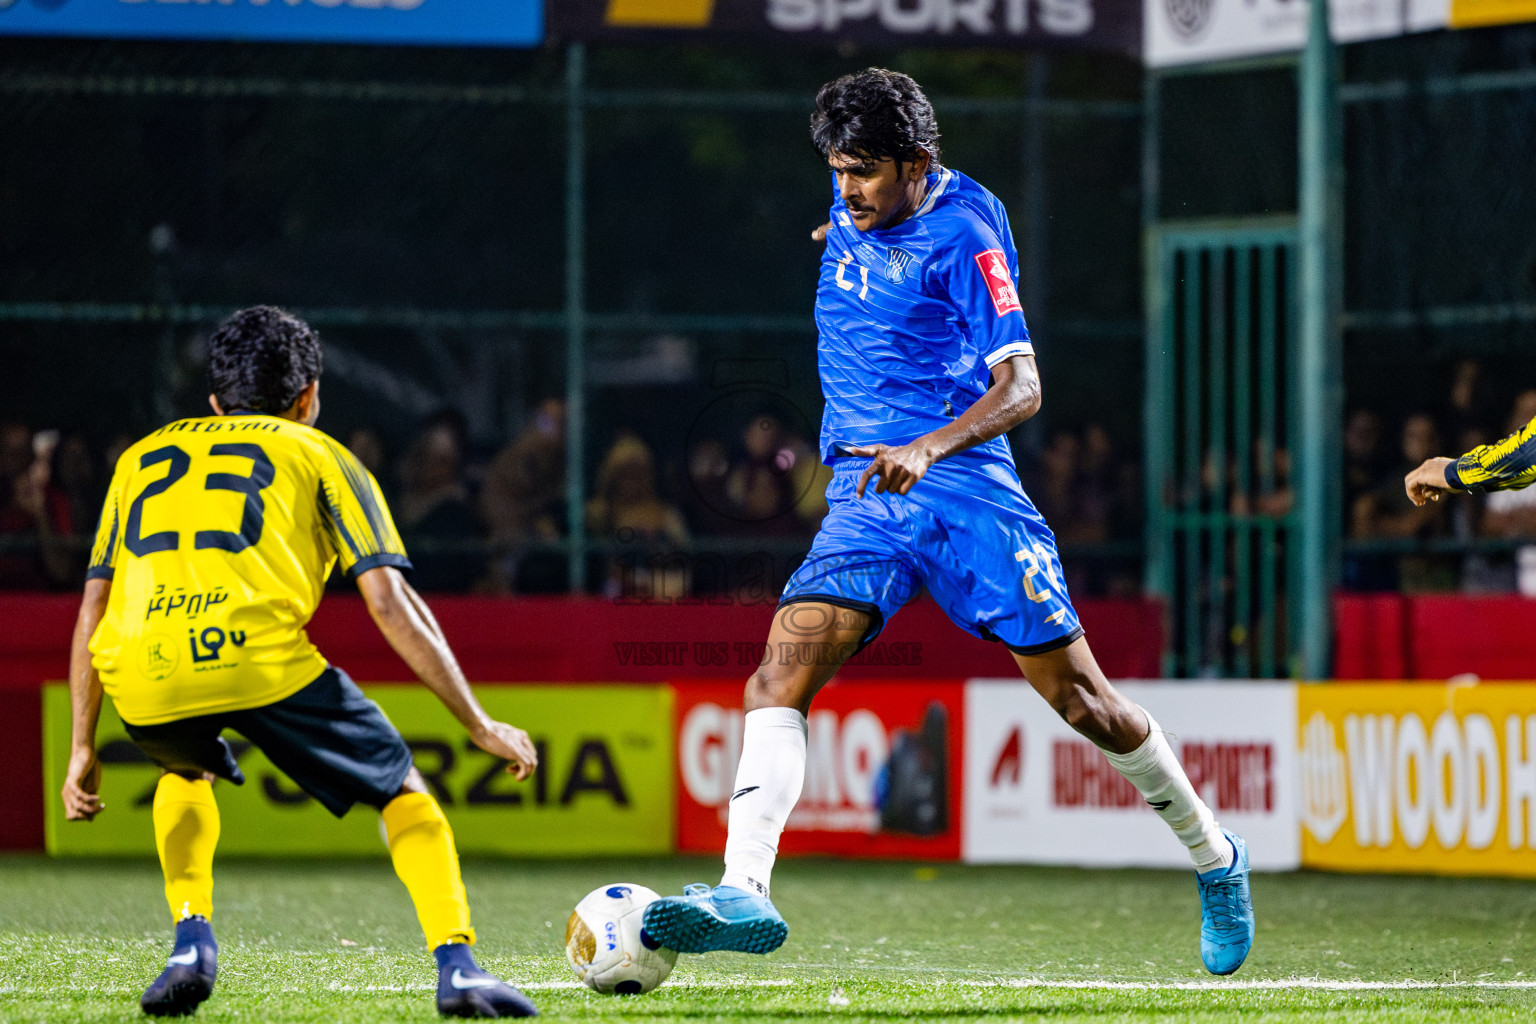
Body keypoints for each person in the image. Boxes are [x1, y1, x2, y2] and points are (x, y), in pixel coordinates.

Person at [641, 69, 1254, 977]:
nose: (846, 191)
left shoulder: (964, 235)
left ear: (918, 163)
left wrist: (930, 447)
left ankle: (1217, 860)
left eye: (863, 174)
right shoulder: (863, 209)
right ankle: (744, 890)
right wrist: (848, 223)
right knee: (777, 680)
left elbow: (1024, 388)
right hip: (863, 498)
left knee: (1082, 702)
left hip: (964, 490)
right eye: (836, 172)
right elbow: (870, 240)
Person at [59, 306, 540, 1019]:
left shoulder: (139, 459)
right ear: (310, 396)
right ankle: (459, 966)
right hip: (254, 653)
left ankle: (190, 942)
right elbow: (389, 601)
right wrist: (476, 721)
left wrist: (79, 747)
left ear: (216, 402)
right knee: (403, 787)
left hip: (142, 662)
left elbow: (93, 608)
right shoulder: (322, 454)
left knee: (181, 769)